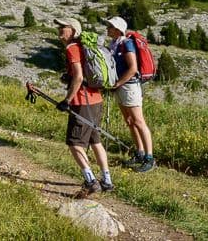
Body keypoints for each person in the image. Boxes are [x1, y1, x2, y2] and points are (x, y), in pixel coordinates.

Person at [54, 16, 114, 196]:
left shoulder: (72, 48)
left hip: (82, 102)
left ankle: (90, 181)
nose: (59, 30)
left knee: (74, 143)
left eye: (63, 27)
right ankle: (107, 180)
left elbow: (79, 77)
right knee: (95, 141)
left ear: (72, 30)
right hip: (96, 100)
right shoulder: (83, 47)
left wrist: (67, 100)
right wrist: (68, 77)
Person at [104, 16, 155, 172]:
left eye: (110, 26)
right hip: (121, 86)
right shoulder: (115, 44)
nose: (108, 28)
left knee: (138, 121)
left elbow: (133, 68)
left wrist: (118, 84)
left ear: (118, 29)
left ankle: (149, 157)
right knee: (129, 120)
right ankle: (139, 152)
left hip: (129, 86)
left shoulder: (127, 44)